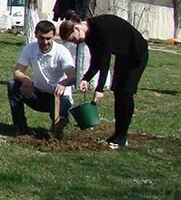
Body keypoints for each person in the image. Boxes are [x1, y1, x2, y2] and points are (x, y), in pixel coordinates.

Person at [58, 14, 149, 150]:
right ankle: (117, 135)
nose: (76, 43)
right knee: (118, 92)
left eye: (74, 39)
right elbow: (96, 61)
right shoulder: (89, 36)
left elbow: (105, 61)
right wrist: (86, 78)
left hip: (137, 54)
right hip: (123, 56)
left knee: (125, 93)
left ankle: (122, 138)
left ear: (77, 28)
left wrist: (99, 89)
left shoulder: (100, 28)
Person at [8, 20, 76, 137]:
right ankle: (21, 128)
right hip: (38, 95)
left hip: (59, 98)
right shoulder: (30, 49)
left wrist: (64, 83)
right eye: (41, 38)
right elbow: (17, 71)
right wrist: (26, 80)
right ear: (35, 35)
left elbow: (72, 76)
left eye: (48, 38)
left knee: (59, 121)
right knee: (12, 84)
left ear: (54, 36)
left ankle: (58, 130)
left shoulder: (62, 52)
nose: (45, 42)